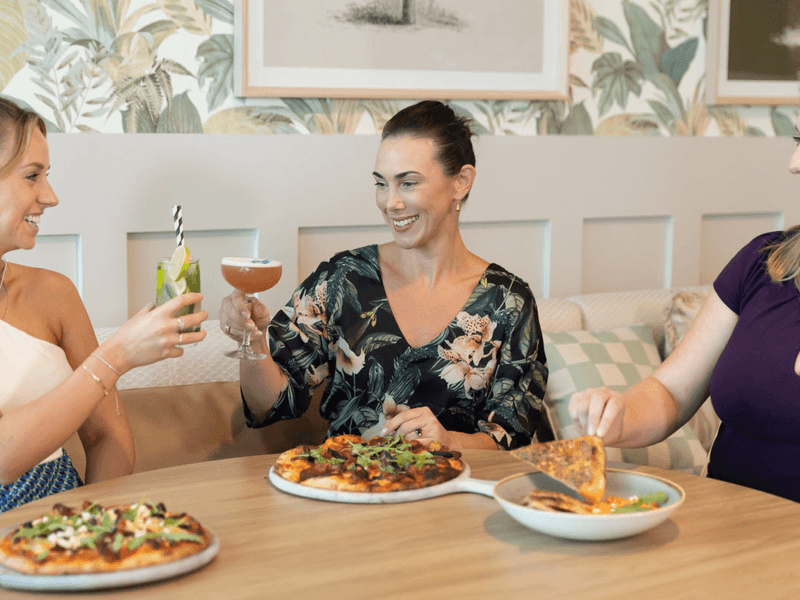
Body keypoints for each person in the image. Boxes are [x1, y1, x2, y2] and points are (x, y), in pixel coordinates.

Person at [219, 100, 551, 450]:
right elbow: (267, 406)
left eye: (407, 184)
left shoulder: (509, 303)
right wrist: (253, 342)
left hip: (457, 498)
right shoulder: (342, 279)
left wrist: (448, 440)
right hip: (346, 490)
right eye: (381, 184)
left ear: (461, 182)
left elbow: (510, 440)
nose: (390, 203)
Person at [569, 112, 800, 503]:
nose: (794, 163)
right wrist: (619, 416)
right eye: (797, 139)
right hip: (720, 532)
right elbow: (672, 393)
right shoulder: (763, 262)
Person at [0, 98, 208, 512]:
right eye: (32, 176)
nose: (51, 196)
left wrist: (89, 526)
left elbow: (109, 440)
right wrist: (116, 355)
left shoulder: (54, 294)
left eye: (48, 175)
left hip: (69, 519)